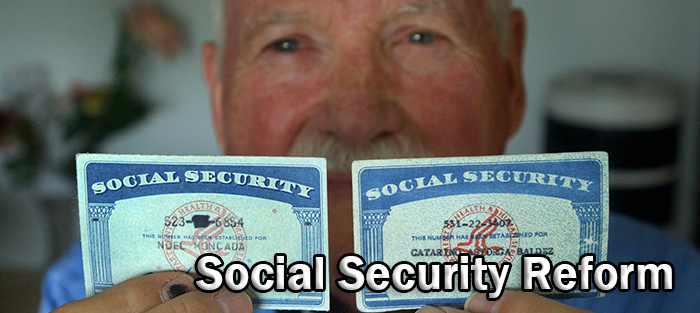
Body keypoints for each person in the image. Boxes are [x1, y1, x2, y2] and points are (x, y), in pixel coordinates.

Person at [40, 0, 700, 312]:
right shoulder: (87, 288)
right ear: (218, 93)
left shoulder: (670, 288)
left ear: (510, 76)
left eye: (421, 36)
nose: (355, 118)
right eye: (288, 45)